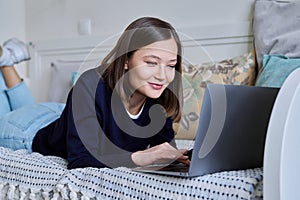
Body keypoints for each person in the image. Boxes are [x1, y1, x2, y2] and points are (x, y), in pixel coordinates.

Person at [0, 17, 190, 169]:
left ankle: (6, 60)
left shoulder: (160, 98)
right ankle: (5, 60)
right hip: (26, 130)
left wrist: (179, 157)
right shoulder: (90, 85)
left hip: (60, 114)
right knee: (15, 112)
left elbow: (163, 148)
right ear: (126, 60)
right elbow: (80, 159)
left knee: (28, 106)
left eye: (171, 65)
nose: (163, 76)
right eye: (151, 62)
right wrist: (141, 157)